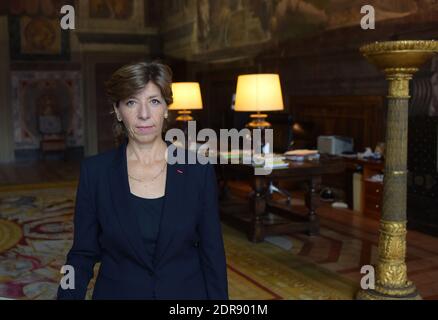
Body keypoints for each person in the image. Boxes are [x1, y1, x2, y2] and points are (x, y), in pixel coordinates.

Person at [57, 61, 228, 300]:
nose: (144, 114)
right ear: (118, 111)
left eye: (154, 101)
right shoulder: (95, 173)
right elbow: (81, 254)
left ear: (167, 109)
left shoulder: (198, 170)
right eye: (131, 102)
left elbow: (212, 255)